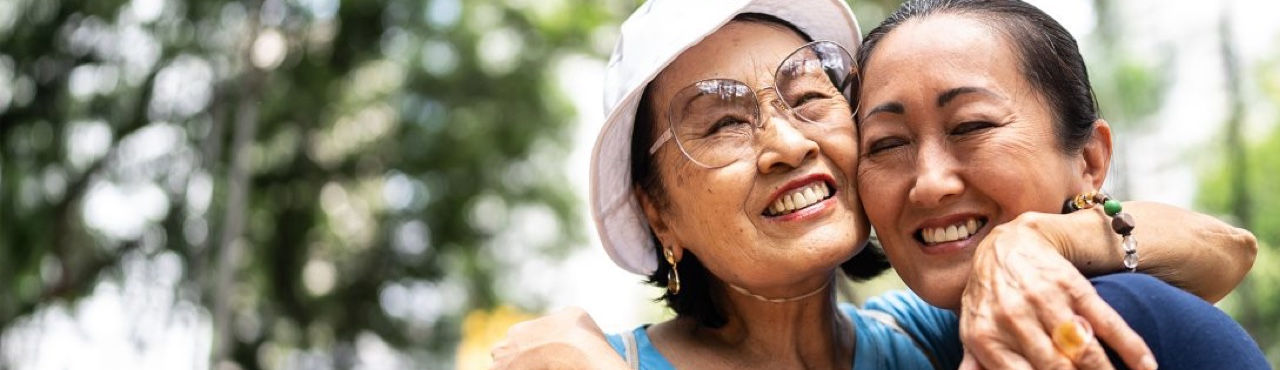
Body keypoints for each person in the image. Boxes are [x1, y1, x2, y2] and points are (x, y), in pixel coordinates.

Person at [489, 0, 1264, 369]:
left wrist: (1044, 237)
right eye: (723, 123)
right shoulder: (588, 363)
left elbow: (1224, 252)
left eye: (808, 95)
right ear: (658, 211)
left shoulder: (926, 335)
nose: (787, 143)